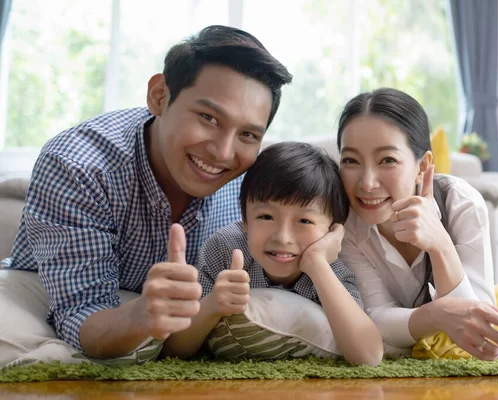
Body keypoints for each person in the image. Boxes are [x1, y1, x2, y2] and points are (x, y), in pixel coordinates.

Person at [0, 25, 292, 359]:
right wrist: (142, 314)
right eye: (208, 117)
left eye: (248, 134)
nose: (223, 152)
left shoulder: (253, 180)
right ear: (159, 96)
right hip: (47, 301)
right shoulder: (79, 165)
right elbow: (81, 313)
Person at [336, 88, 498, 361]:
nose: (367, 183)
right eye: (351, 161)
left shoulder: (461, 203)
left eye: (387, 160)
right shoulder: (346, 223)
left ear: (423, 166)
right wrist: (436, 315)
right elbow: (373, 317)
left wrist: (440, 245)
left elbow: (480, 328)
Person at [161, 142, 384, 366]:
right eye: (266, 217)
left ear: (333, 230)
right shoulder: (225, 250)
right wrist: (212, 305)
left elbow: (369, 356)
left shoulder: (332, 270)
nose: (282, 237)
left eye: (305, 220)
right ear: (245, 220)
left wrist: (316, 264)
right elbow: (174, 350)